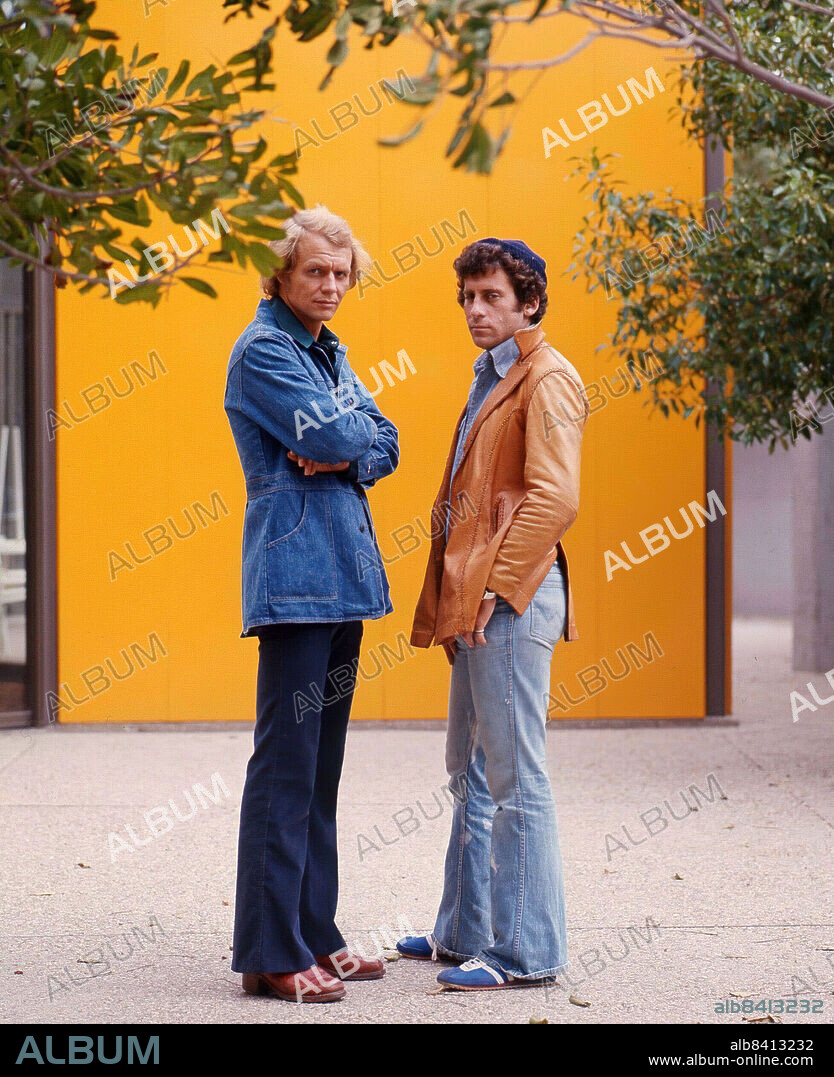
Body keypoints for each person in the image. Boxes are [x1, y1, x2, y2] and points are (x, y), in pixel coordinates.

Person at [397, 237, 589, 990]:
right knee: (469, 769)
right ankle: (462, 931)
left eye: (491, 297)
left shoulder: (549, 377)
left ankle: (526, 952)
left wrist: (491, 589)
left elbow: (555, 498)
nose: (475, 310)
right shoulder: (492, 375)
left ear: (529, 302)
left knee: (516, 777)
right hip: (478, 598)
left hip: (510, 598)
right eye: (468, 298)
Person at [223, 205, 399, 1003]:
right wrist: (344, 440)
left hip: (341, 577)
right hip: (295, 582)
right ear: (282, 276)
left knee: (319, 772)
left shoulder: (328, 352)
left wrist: (345, 436)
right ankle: (268, 951)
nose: (331, 286)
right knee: (285, 768)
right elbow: (336, 442)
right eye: (315, 273)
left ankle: (314, 935)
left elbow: (381, 440)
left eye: (340, 274)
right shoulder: (264, 351)